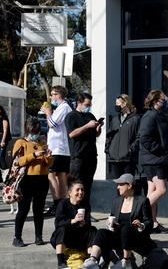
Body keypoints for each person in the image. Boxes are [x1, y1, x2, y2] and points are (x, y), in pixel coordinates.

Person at [80, 174, 156, 269]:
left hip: (136, 237)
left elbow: (149, 221)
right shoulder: (116, 201)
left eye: (120, 184)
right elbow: (113, 218)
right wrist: (110, 223)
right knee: (101, 232)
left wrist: (141, 225)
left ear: (129, 185)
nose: (118, 187)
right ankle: (93, 260)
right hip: (120, 236)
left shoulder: (142, 201)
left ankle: (126, 261)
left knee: (126, 229)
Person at [138, 90, 168, 233]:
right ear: (155, 101)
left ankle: (153, 223)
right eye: (162, 99)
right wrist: (160, 150)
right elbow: (145, 139)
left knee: (152, 191)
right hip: (155, 160)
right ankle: (137, 214)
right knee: (162, 189)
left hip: (155, 159)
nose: (165, 101)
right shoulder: (150, 116)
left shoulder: (157, 115)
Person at [12, 118, 53, 247]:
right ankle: (17, 237)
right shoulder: (21, 142)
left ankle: (38, 237)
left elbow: (49, 164)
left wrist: (48, 156)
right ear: (28, 130)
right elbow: (17, 162)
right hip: (26, 179)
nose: (35, 134)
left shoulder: (42, 142)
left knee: (38, 210)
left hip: (42, 179)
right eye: (33, 131)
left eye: (37, 131)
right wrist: (34, 155)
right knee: (23, 210)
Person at [65, 93, 102, 208]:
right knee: (76, 187)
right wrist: (87, 126)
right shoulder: (71, 116)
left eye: (90, 104)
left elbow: (96, 134)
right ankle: (74, 211)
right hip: (78, 157)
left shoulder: (90, 115)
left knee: (87, 187)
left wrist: (98, 128)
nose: (89, 106)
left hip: (91, 157)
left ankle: (85, 213)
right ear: (79, 103)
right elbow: (72, 134)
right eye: (86, 104)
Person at [41, 85, 73, 216]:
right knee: (60, 176)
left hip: (58, 148)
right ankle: (62, 204)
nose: (51, 97)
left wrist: (48, 112)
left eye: (53, 94)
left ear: (59, 95)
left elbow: (52, 124)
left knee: (52, 175)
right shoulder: (62, 108)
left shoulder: (64, 107)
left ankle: (58, 203)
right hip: (59, 148)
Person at [50, 180, 97, 269]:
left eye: (82, 190)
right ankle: (61, 263)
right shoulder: (63, 204)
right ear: (70, 193)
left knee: (92, 230)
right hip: (65, 238)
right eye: (78, 190)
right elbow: (58, 223)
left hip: (79, 237)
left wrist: (83, 224)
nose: (80, 192)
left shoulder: (85, 205)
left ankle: (90, 259)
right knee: (62, 228)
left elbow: (88, 223)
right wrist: (74, 220)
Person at [106, 94, 141, 179]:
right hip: (114, 158)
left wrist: (131, 149)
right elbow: (109, 136)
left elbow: (139, 137)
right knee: (118, 186)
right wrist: (108, 149)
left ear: (124, 104)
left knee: (127, 184)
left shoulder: (135, 119)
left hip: (128, 159)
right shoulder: (115, 119)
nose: (116, 106)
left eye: (117, 103)